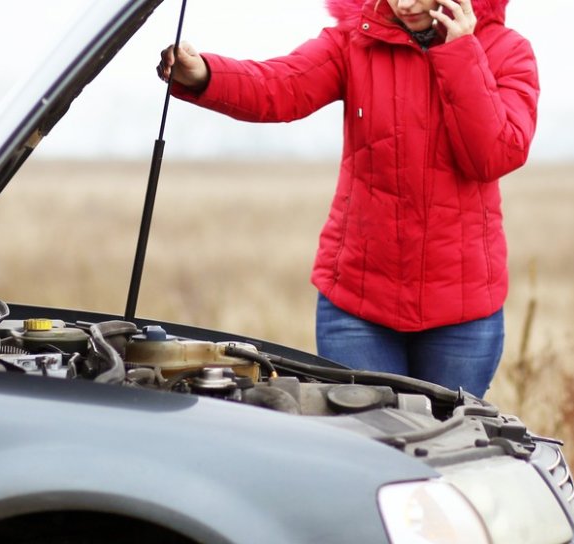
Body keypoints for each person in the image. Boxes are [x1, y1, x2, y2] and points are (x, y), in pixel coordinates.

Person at [156, 0, 538, 397]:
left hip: (462, 317)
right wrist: (203, 74)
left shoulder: (506, 52)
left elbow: (494, 155)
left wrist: (460, 51)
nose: (404, 3)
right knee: (363, 450)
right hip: (357, 308)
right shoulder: (354, 42)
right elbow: (280, 84)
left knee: (446, 452)